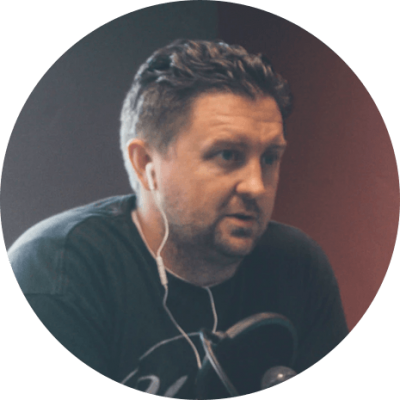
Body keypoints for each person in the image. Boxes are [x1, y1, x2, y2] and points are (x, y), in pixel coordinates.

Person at [8, 39, 349, 398]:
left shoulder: (298, 266)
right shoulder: (57, 274)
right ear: (146, 164)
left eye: (269, 158)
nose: (256, 186)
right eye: (227, 154)